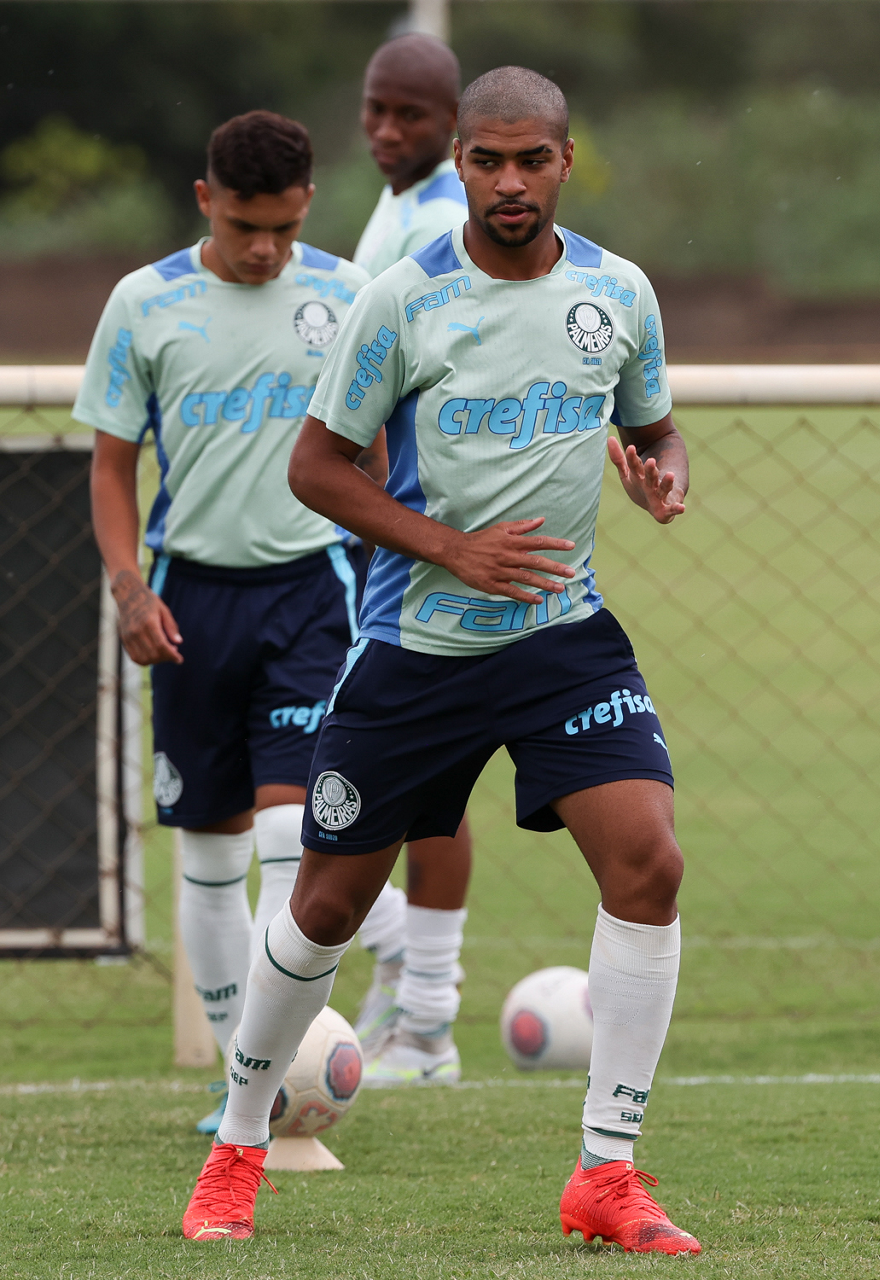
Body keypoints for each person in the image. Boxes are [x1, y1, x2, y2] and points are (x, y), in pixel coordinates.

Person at [182, 68, 702, 1256]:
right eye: (486, 160)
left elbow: (655, 424)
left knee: (650, 862)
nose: (508, 182)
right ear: (459, 163)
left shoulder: (617, 292)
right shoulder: (402, 299)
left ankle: (606, 1172)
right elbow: (316, 466)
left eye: (531, 160)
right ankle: (239, 1144)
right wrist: (449, 547)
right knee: (322, 906)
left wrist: (662, 473)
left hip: (563, 638)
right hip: (416, 650)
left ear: (565, 161)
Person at [75, 110, 370, 1133]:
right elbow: (111, 466)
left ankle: (266, 1070)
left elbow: (378, 449)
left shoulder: (347, 295)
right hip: (189, 600)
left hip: (311, 593)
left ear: (308, 207)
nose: (265, 249)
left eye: (284, 228)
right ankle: (238, 1072)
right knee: (208, 850)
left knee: (292, 830)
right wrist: (129, 587)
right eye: (246, 226)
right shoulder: (143, 302)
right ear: (206, 200)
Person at [350, 32, 474, 1087]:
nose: (388, 130)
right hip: (378, 527)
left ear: (451, 124)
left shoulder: (440, 217)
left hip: (405, 534)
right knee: (402, 766)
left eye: (412, 115)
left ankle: (424, 1014)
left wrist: (374, 509)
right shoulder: (396, 205)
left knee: (424, 768)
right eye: (375, 110)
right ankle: (414, 998)